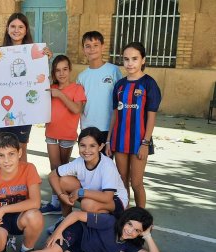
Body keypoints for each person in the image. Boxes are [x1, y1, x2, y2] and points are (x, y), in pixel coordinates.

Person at [0, 207, 161, 252]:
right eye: (130, 224)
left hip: (81, 247)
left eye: (137, 230)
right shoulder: (109, 222)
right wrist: (58, 231)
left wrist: (147, 235)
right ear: (125, 220)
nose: (130, 230)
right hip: (77, 231)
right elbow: (77, 214)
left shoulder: (128, 245)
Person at [105, 42, 161, 208]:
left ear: (143, 60)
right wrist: (109, 140)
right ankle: (125, 215)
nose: (130, 63)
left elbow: (151, 117)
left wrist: (146, 143)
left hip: (139, 142)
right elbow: (115, 114)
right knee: (122, 182)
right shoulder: (119, 85)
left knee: (136, 182)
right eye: (126, 59)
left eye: (135, 59)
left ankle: (141, 219)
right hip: (120, 141)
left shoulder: (149, 84)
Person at [0, 12, 52, 162]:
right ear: (7, 29)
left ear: (26, 30)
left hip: (25, 110)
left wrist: (46, 61)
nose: (16, 30)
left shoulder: (37, 53)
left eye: (21, 26)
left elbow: (41, 79)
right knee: (0, 148)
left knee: (21, 148)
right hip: (3, 109)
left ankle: (22, 184)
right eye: (13, 26)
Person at [46, 127, 128, 233]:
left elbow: (107, 197)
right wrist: (61, 195)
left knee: (87, 204)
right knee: (63, 181)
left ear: (100, 147)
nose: (87, 150)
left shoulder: (107, 165)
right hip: (92, 193)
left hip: (115, 200)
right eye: (83, 145)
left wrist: (81, 192)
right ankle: (65, 219)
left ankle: (111, 223)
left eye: (92, 146)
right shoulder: (79, 162)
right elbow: (52, 175)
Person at [40, 54, 86, 215]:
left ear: (70, 70)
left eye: (65, 69)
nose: (61, 73)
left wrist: (60, 94)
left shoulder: (77, 88)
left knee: (62, 169)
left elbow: (76, 109)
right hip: (51, 133)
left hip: (67, 135)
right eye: (58, 70)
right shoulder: (49, 87)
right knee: (54, 168)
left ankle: (63, 201)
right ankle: (55, 203)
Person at [77, 31, 122, 153]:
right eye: (88, 46)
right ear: (83, 49)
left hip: (109, 128)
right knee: (89, 166)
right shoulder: (82, 76)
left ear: (103, 46)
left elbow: (120, 100)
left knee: (105, 166)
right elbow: (80, 104)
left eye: (96, 45)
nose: (92, 49)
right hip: (88, 128)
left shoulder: (113, 71)